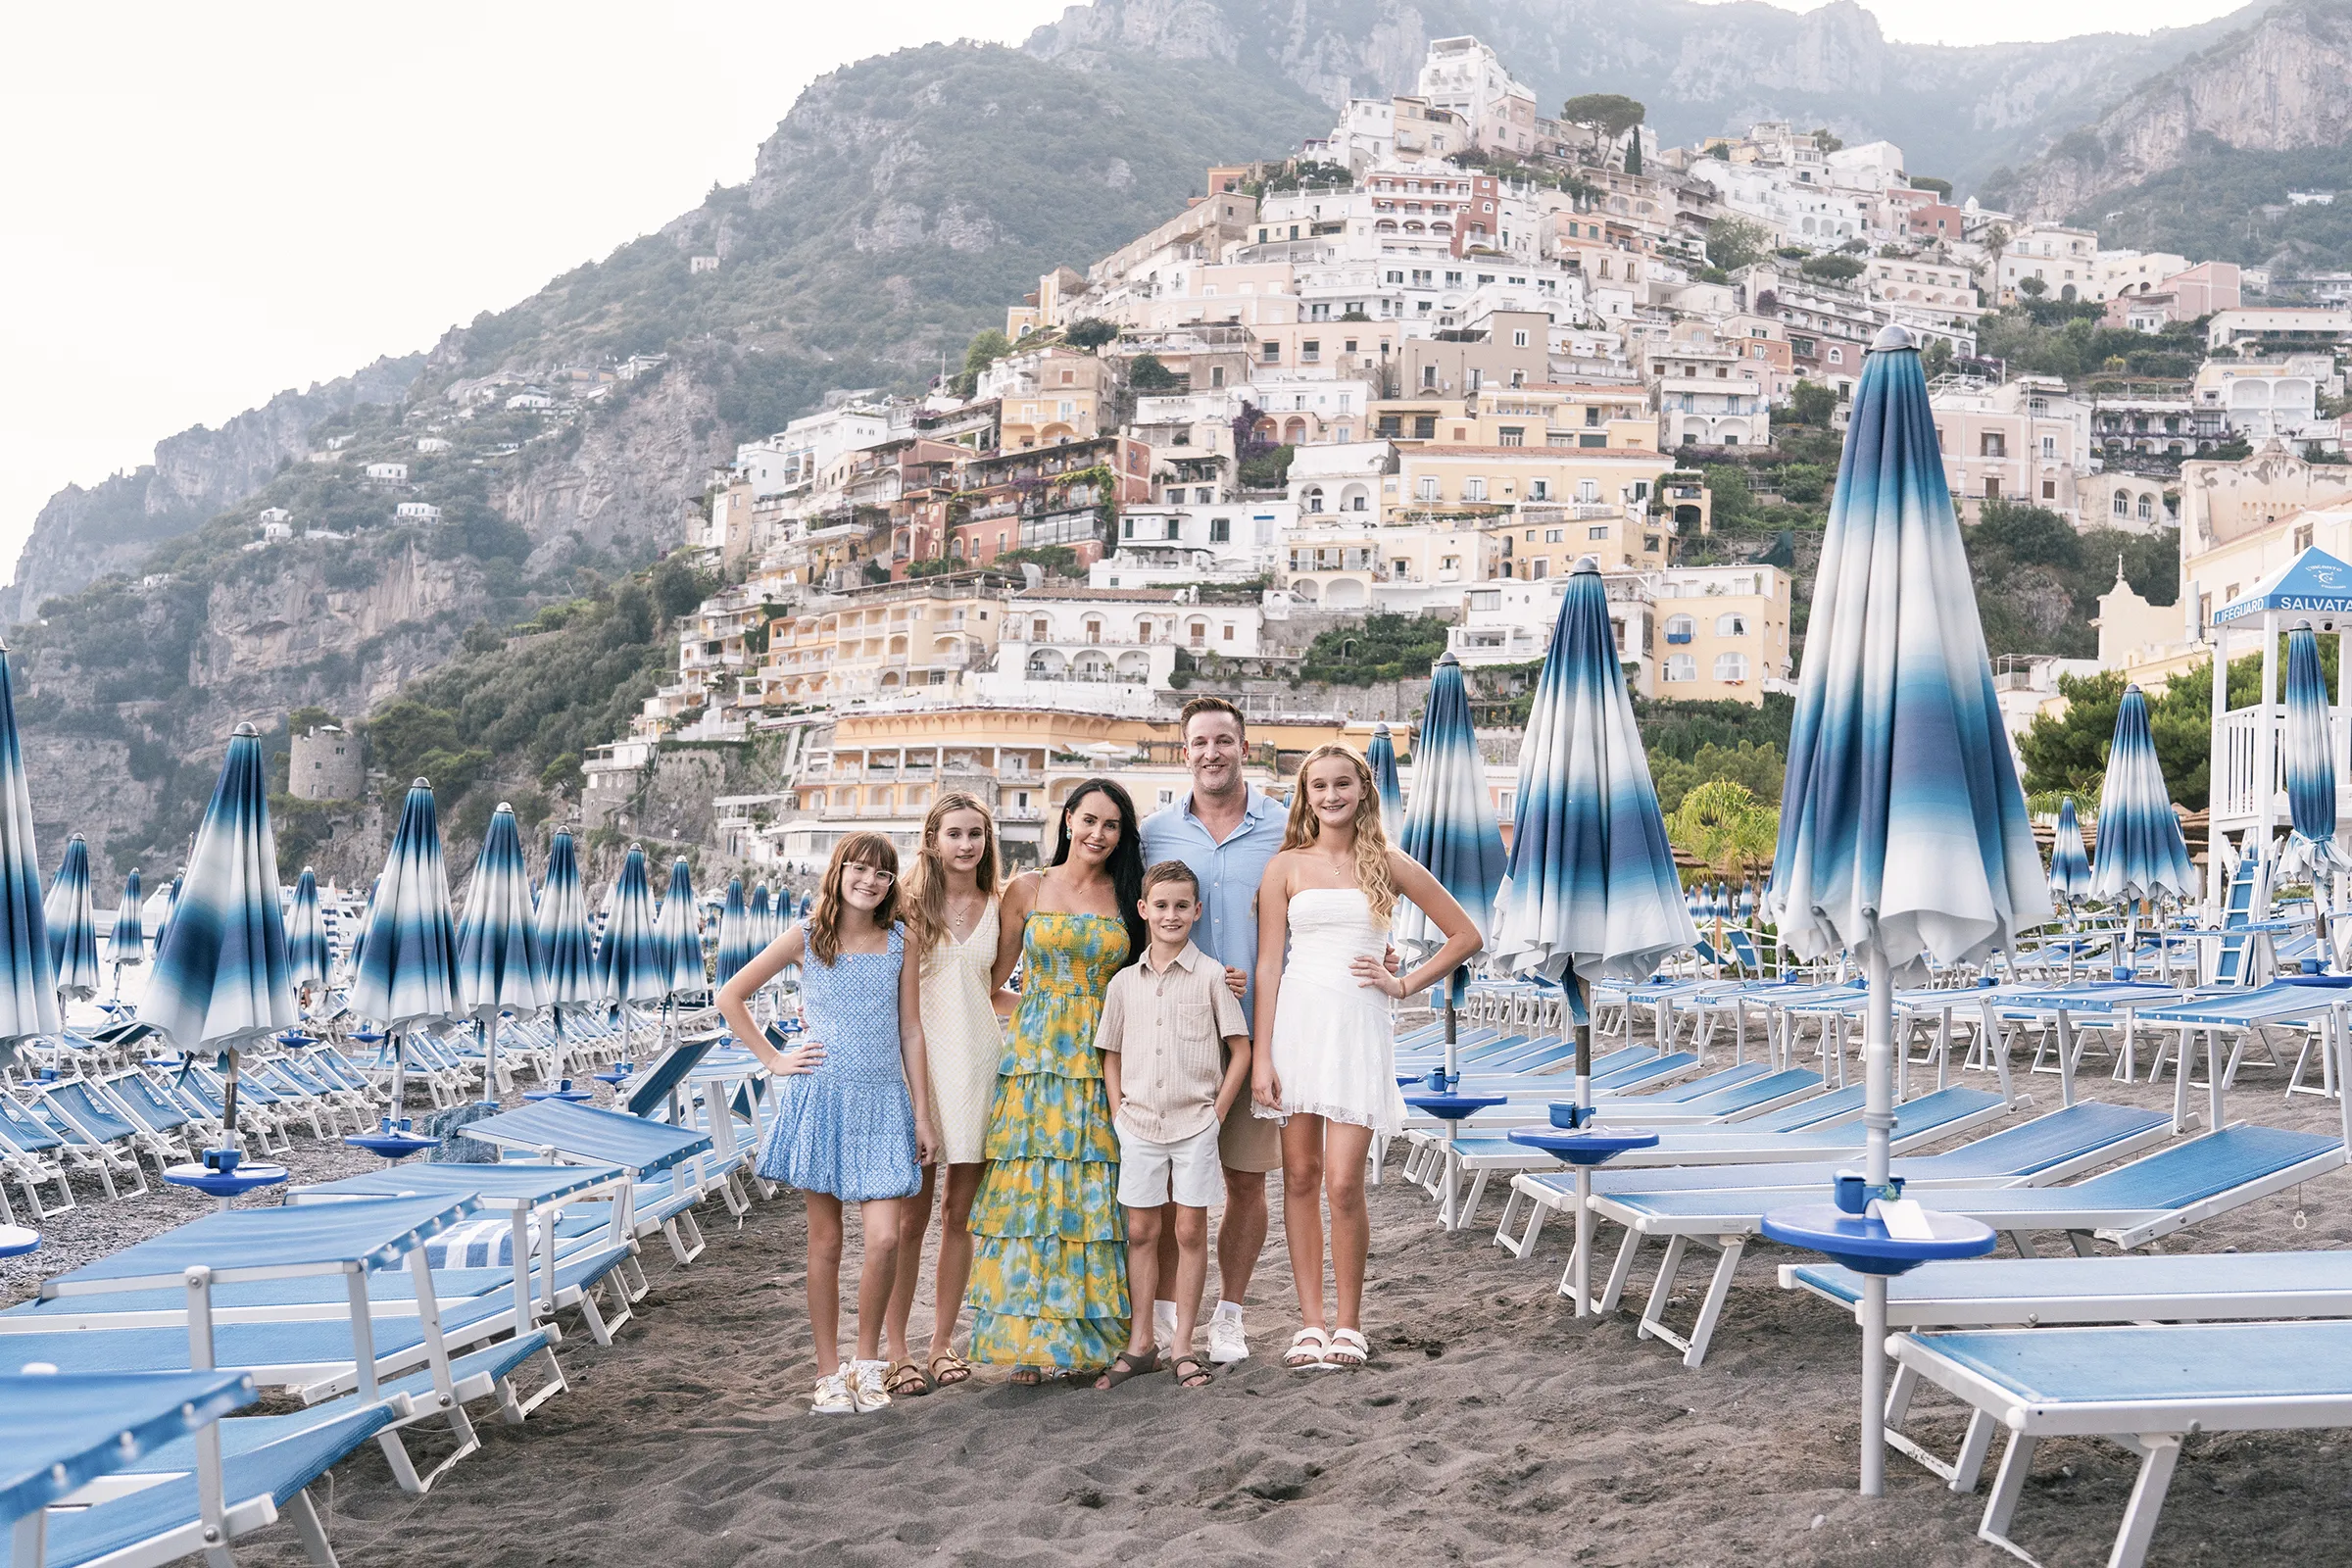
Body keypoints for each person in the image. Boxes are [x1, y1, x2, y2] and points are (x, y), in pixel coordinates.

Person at [1252, 744, 1481, 1372]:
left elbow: (1466, 935)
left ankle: (1349, 1325)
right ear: (1305, 794)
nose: (1330, 795)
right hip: (1296, 1025)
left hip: (1358, 1027)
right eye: (1319, 785)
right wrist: (1262, 1057)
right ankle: (1310, 1324)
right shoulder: (1284, 868)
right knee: (1297, 1179)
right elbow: (1270, 965)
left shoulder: (1388, 862)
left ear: (1363, 791)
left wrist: (1404, 985)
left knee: (1344, 1182)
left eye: (1342, 784)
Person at [717, 833, 937, 1416]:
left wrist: (923, 1112)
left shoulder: (900, 942)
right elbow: (731, 996)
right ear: (838, 872)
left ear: (893, 884)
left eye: (882, 873)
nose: (869, 880)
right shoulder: (805, 938)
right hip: (822, 1098)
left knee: (886, 1238)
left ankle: (867, 1362)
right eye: (858, 868)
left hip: (885, 1101)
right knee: (826, 1241)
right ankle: (826, 1372)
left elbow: (911, 1030)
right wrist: (774, 1059)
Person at [965, 778, 1146, 1384]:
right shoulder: (1028, 888)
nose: (1098, 834)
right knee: (1032, 1192)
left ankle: (1084, 1338)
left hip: (1104, 1056)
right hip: (1037, 1060)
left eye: (1111, 825)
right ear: (1068, 820)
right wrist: (1040, 1010)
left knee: (1092, 1193)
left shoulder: (1128, 895)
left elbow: (1152, 970)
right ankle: (1028, 1343)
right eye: (1089, 820)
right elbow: (989, 979)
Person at [1136, 696, 1286, 1365]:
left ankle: (1230, 1314)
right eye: (1200, 742)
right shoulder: (1153, 835)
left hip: (1263, 1036)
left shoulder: (1287, 827)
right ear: (1185, 751)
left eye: (1224, 740)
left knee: (1246, 1182)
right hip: (1175, 1042)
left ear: (1243, 748)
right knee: (1171, 1188)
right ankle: (1170, 1314)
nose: (1212, 753)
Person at [1093, 861, 1252, 1392]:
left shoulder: (1212, 976)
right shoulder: (1122, 984)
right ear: (1143, 910)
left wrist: (1217, 1115)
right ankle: (1142, 1343)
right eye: (1160, 905)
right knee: (1141, 1230)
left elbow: (1240, 1050)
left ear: (1197, 911)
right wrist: (1118, 1111)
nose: (1171, 915)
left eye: (1182, 905)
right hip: (1137, 1124)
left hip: (1195, 1124)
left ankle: (1183, 1343)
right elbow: (1110, 1053)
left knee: (1188, 1230)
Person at [881, 793, 1005, 1397]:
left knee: (961, 1213)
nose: (966, 845)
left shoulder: (1000, 906)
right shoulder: (904, 906)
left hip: (980, 1067)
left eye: (976, 834)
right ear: (931, 840)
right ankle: (897, 1346)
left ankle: (940, 1343)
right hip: (918, 1073)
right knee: (911, 1215)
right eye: (954, 834)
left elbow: (990, 990)